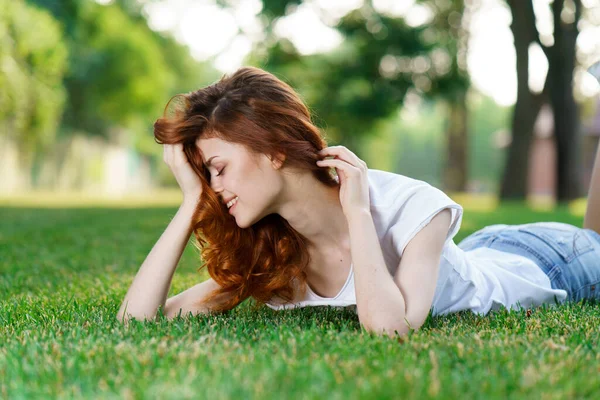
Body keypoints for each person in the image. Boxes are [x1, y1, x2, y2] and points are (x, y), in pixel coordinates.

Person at [116, 66, 600, 337]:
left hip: (549, 262)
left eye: (217, 169)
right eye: (206, 177)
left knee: (595, 239)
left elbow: (391, 329)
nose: (214, 187)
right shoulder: (272, 248)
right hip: (482, 252)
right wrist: (191, 203)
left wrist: (358, 212)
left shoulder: (408, 204)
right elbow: (138, 321)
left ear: (275, 150)